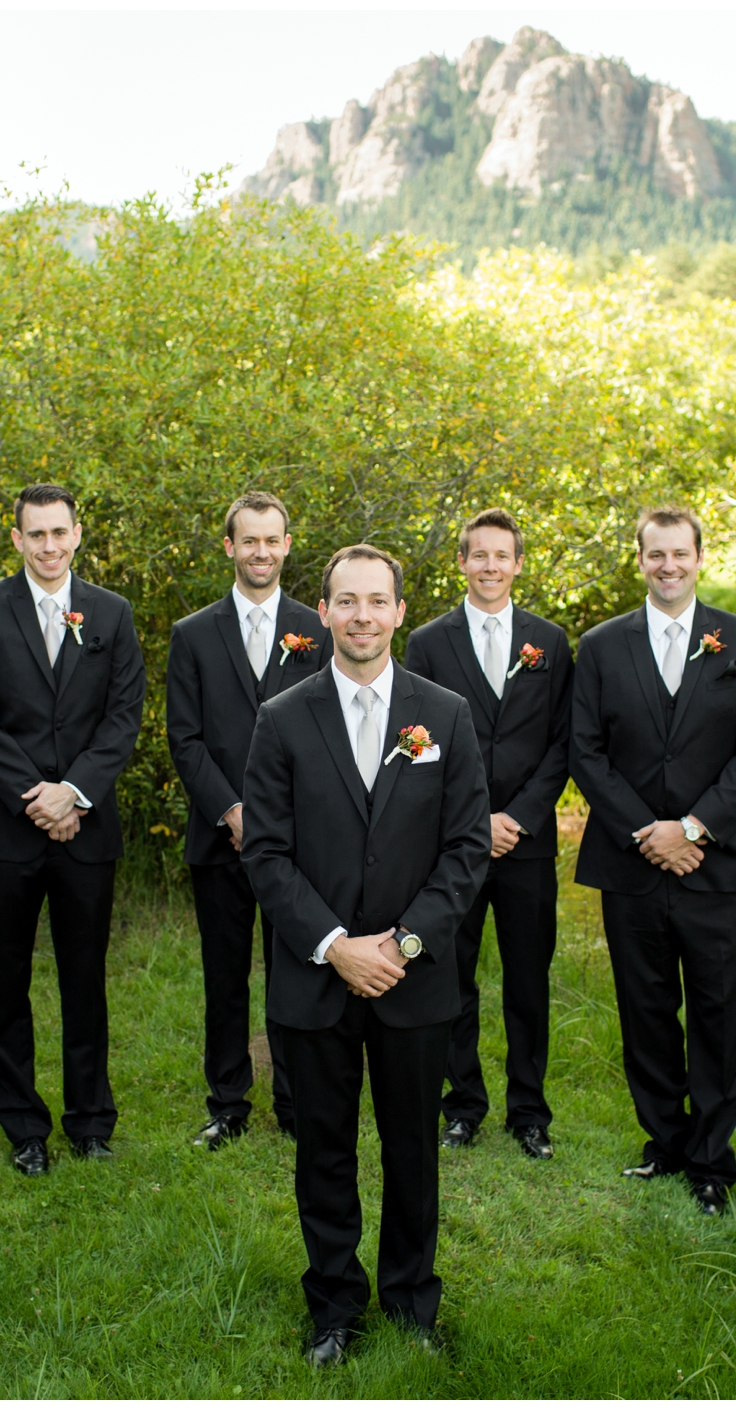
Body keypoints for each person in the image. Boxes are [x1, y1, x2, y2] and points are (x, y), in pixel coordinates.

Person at [242, 544, 489, 1365]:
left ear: (399, 611)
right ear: (323, 613)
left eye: (376, 602)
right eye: (346, 602)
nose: (362, 617)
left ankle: (414, 1304)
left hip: (415, 983)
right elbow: (266, 855)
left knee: (414, 1149)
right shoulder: (281, 718)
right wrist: (335, 946)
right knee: (325, 1149)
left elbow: (465, 852)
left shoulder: (445, 716)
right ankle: (335, 1310)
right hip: (316, 981)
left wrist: (404, 944)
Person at [568, 505, 736, 1216]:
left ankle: (712, 1162)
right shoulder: (599, 647)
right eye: (655, 555)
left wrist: (691, 829)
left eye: (679, 554)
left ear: (698, 557)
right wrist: (647, 832)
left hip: (716, 867)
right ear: (641, 560)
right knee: (646, 1009)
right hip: (631, 866)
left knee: (716, 1012)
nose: (668, 566)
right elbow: (585, 752)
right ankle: (664, 1143)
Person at [0, 484, 145, 1176]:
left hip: (87, 829)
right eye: (36, 535)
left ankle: (90, 1121)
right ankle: (24, 1127)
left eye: (59, 532)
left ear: (78, 534)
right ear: (16, 539)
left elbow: (123, 716)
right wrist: (38, 797)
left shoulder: (112, 615)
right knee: (7, 982)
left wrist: (75, 793)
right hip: (7, 829)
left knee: (85, 977)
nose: (49, 546)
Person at [404, 508, 573, 1161]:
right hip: (453, 841)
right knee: (452, 975)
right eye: (479, 555)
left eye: (502, 556)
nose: (491, 566)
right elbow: (417, 742)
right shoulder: (427, 642)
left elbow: (564, 743)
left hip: (528, 845)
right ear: (462, 564)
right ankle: (463, 1105)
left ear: (518, 563)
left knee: (528, 980)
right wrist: (476, 821)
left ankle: (529, 1113)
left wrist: (520, 817)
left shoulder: (549, 642)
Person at [165, 490, 329, 1148]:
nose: (261, 551)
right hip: (220, 836)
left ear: (288, 546)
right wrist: (232, 810)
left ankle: (296, 1101)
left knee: (298, 968)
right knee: (225, 975)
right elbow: (186, 739)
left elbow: (330, 730)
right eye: (249, 540)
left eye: (272, 540)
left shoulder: (317, 630)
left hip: (298, 842)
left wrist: (279, 818)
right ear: (230, 547)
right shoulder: (193, 634)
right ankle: (228, 1104)